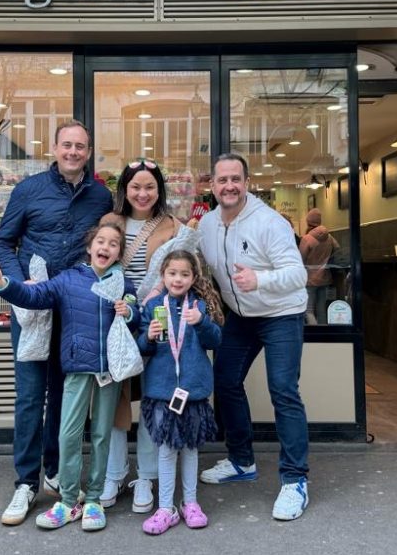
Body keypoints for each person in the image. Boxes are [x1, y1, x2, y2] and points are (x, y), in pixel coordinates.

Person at [0, 120, 113, 526]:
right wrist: (15, 279)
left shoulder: (101, 196)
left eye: (81, 146)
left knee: (65, 396)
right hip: (32, 308)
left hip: (75, 310)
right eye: (67, 145)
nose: (73, 152)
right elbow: (3, 241)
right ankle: (25, 482)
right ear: (56, 148)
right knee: (29, 395)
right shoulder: (28, 190)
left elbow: (107, 246)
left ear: (88, 151)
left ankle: (55, 470)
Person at [0, 222, 140, 532]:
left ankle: (94, 499)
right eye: (101, 241)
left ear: (118, 254)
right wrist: (5, 284)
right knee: (68, 435)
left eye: (113, 244)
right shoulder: (68, 279)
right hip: (76, 369)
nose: (106, 247)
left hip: (110, 371)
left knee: (100, 436)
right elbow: (35, 296)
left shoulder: (123, 283)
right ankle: (69, 502)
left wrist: (131, 313)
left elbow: (138, 316)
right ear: (89, 247)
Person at [196, 152, 311, 521]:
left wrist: (259, 279)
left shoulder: (269, 222)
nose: (229, 186)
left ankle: (295, 481)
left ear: (247, 183)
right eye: (222, 180)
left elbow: (298, 274)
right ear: (211, 185)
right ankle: (242, 460)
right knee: (225, 381)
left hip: (281, 314)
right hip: (241, 317)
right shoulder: (208, 224)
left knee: (283, 390)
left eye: (236, 179)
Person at [99, 159, 198, 514]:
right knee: (113, 402)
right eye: (135, 186)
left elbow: (186, 274)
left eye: (150, 187)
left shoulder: (174, 227)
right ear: (125, 189)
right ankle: (113, 473)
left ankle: (146, 476)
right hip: (115, 322)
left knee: (154, 401)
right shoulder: (110, 223)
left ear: (160, 190)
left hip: (156, 324)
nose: (142, 193)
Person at [137, 250, 223, 535]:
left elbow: (215, 341)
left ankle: (191, 503)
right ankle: (165, 508)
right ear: (163, 276)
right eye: (172, 273)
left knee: (190, 448)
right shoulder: (152, 307)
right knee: (166, 450)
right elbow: (142, 348)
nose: (178, 279)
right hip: (162, 393)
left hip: (193, 392)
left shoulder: (199, 306)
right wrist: (147, 337)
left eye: (184, 274)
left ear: (194, 277)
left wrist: (201, 322)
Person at [299, 208, 340, 325]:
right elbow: (337, 249)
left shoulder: (306, 239)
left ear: (308, 222)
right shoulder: (330, 237)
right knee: (321, 309)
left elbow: (300, 259)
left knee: (308, 310)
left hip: (309, 279)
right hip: (325, 278)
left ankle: (315, 335)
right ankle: (324, 336)